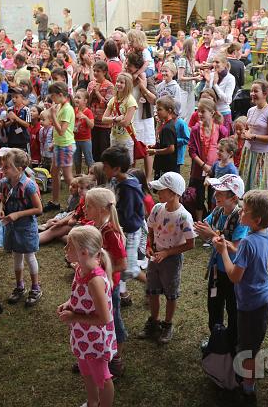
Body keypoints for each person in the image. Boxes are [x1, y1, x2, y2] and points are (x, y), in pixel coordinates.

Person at [213, 190, 268, 403]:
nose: (241, 211)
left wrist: (223, 250)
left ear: (256, 219)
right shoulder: (266, 233)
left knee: (248, 349)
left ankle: (247, 387)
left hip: (252, 303)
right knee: (251, 343)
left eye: (245, 210)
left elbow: (234, 276)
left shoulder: (248, 242)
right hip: (264, 297)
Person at [58, 226, 116, 407]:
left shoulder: (95, 281)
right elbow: (80, 295)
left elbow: (104, 319)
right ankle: (92, 401)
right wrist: (70, 303)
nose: (65, 249)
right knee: (86, 370)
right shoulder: (79, 269)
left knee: (102, 377)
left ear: (83, 252)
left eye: (69, 246)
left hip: (95, 340)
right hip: (82, 336)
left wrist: (74, 317)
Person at [139, 172, 196, 344]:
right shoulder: (157, 209)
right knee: (152, 291)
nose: (157, 193)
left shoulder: (184, 217)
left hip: (171, 261)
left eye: (160, 190)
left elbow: (190, 244)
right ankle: (154, 322)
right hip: (155, 257)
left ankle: (167, 324)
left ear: (173, 193)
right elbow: (150, 229)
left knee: (171, 294)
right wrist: (150, 246)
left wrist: (167, 253)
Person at [193, 174, 248, 352]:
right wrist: (198, 229)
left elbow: (237, 248)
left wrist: (211, 235)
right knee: (214, 306)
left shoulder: (240, 219)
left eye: (220, 193)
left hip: (232, 273)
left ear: (233, 197)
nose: (215, 195)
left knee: (232, 309)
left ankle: (232, 343)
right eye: (216, 191)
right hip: (217, 270)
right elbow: (205, 230)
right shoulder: (217, 211)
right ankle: (215, 339)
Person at [82, 188, 127, 377]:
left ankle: (116, 360)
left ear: (101, 209)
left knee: (112, 321)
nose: (84, 209)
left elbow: (122, 264)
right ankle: (94, 355)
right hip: (96, 283)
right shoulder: (94, 225)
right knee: (96, 318)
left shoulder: (110, 232)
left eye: (88, 206)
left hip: (110, 286)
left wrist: (101, 272)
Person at [0, 149, 44, 307]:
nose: (3, 170)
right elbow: (2, 200)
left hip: (25, 227)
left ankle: (35, 287)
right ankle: (19, 286)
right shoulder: (4, 183)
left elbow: (39, 209)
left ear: (19, 169)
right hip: (12, 227)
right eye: (3, 166)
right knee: (16, 256)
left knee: (29, 256)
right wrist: (1, 208)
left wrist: (18, 214)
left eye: (6, 167)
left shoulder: (29, 185)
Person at [100, 146, 146, 302]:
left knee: (129, 268)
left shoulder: (129, 189)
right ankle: (122, 294)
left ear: (117, 168)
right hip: (121, 229)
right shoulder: (116, 180)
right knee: (119, 260)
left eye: (105, 167)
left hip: (130, 231)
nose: (103, 169)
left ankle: (152, 285)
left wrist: (108, 216)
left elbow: (125, 215)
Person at [189, 98, 228, 219]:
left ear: (212, 113)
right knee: (199, 196)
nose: (199, 114)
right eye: (198, 111)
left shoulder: (221, 130)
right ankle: (199, 221)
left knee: (214, 196)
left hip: (215, 169)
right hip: (199, 169)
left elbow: (225, 149)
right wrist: (203, 166)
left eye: (202, 111)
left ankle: (212, 220)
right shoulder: (196, 130)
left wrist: (214, 166)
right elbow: (192, 151)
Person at [239, 80, 268, 191]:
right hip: (248, 153)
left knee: (258, 189)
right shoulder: (251, 110)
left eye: (256, 91)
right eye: (251, 91)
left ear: (265, 94)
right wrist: (244, 133)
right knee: (244, 185)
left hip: (261, 156)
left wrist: (254, 137)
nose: (252, 93)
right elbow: (248, 129)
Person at [46, 82, 75, 211]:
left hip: (65, 145)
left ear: (60, 95)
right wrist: (54, 142)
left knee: (68, 177)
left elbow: (62, 131)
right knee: (54, 172)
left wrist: (52, 116)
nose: (52, 99)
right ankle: (55, 201)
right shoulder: (61, 106)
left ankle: (81, 200)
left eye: (53, 96)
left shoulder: (67, 109)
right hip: (60, 144)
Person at [148, 97, 179, 178]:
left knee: (161, 188)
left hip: (166, 167)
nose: (157, 112)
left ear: (169, 111)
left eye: (159, 109)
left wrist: (155, 151)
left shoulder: (168, 128)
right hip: (161, 164)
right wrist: (155, 146)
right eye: (156, 109)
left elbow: (171, 148)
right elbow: (164, 143)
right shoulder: (164, 124)